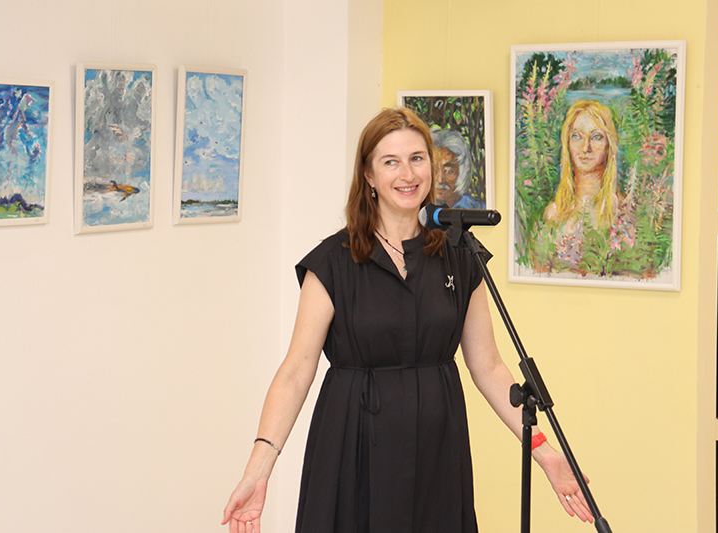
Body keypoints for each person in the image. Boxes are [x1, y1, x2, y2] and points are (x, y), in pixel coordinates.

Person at [222, 107, 593, 532]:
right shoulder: (332, 262)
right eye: (391, 162)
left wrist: (544, 453)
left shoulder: (460, 256)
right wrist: (257, 471)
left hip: (437, 451)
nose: (407, 174)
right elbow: (295, 370)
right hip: (353, 446)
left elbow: (488, 366)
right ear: (368, 174)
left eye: (417, 158)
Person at [538, 100, 625, 270]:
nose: (586, 147)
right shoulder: (554, 214)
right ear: (567, 144)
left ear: (609, 145)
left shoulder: (621, 212)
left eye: (596, 137)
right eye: (577, 136)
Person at [431, 128, 485, 209]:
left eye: (449, 171)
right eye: (433, 170)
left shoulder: (477, 208)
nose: (440, 180)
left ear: (462, 171)